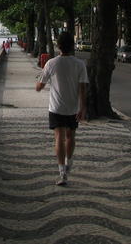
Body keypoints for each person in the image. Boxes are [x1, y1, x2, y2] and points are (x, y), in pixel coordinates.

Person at [35, 31, 88, 186]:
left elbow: (40, 86)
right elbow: (83, 88)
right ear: (72, 46)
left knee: (59, 137)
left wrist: (37, 85)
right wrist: (83, 107)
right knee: (71, 136)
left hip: (56, 107)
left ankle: (62, 173)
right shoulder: (80, 64)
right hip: (73, 107)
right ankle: (69, 163)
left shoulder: (51, 63)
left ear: (58, 46)